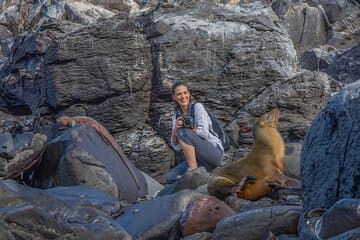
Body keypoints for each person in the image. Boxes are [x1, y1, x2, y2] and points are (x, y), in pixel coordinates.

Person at [165, 81, 224, 184]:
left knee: (183, 131)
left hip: (213, 153)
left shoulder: (197, 107)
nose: (183, 97)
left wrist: (191, 129)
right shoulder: (176, 116)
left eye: (185, 93)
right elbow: (177, 147)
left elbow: (204, 133)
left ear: (189, 94)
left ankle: (194, 173)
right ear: (174, 97)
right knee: (170, 177)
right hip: (198, 160)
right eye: (179, 94)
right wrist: (175, 129)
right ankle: (203, 177)